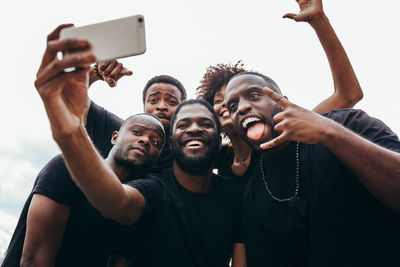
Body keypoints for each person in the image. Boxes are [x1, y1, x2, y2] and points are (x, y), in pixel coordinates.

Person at [32, 24, 245, 267]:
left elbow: (241, 151)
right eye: (154, 100)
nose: (162, 106)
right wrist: (92, 76)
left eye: (172, 101)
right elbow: (76, 104)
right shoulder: (128, 135)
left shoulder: (208, 161)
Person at [224, 69, 400, 266]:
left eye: (254, 96)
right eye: (233, 106)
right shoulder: (253, 197)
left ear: (283, 101)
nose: (241, 108)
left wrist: (330, 132)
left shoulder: (346, 122)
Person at [196, 0, 363, 184]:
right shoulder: (219, 156)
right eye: (221, 100)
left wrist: (319, 21)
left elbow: (348, 94)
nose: (239, 106)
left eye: (250, 96)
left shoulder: (285, 134)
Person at [1, 112, 166, 267]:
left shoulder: (137, 204)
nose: (145, 140)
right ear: (115, 137)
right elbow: (34, 260)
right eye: (137, 132)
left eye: (155, 142)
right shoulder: (69, 166)